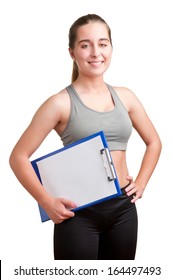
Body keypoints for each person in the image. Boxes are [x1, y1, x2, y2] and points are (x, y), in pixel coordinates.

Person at [9, 14, 162, 260]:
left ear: (111, 48)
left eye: (102, 43)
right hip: (78, 213)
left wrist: (141, 183)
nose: (95, 52)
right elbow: (18, 157)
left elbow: (154, 142)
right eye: (85, 45)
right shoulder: (59, 103)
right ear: (72, 52)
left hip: (123, 208)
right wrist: (46, 201)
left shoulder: (126, 97)